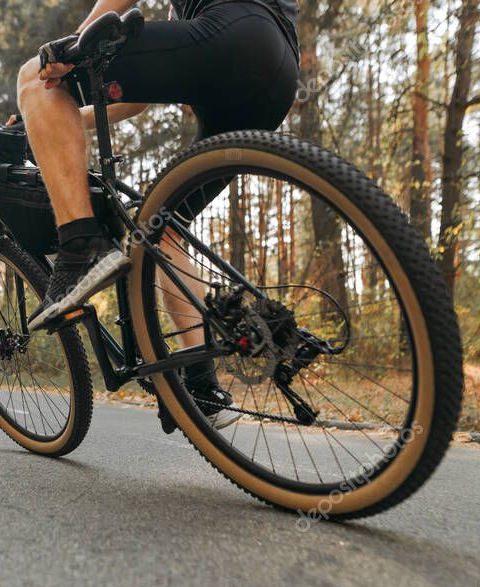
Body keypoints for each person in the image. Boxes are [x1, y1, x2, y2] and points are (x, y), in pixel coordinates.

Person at [17, 0, 299, 428]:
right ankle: (203, 386)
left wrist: (68, 52)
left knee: (35, 77)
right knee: (161, 232)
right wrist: (52, 121)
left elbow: (63, 69)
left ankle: (81, 243)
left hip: (232, 34)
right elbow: (135, 103)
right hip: (276, 73)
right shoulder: (183, 12)